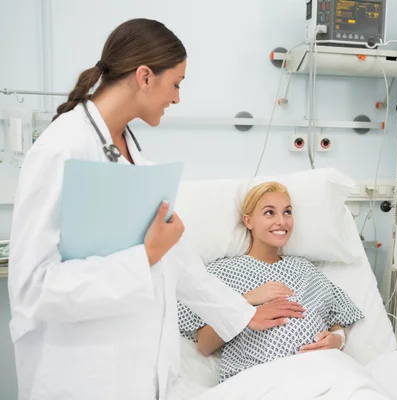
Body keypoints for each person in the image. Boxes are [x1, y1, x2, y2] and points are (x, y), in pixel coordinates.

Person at [7, 18, 304, 400]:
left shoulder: (132, 154)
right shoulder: (61, 148)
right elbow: (33, 289)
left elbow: (175, 261)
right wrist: (144, 255)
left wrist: (242, 315)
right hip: (81, 375)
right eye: (176, 83)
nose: (177, 98)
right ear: (145, 76)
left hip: (140, 373)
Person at [177, 181, 365, 382]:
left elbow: (336, 317)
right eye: (269, 213)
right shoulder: (222, 272)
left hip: (321, 372)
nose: (282, 221)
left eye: (287, 212)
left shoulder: (306, 268)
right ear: (248, 222)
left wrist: (338, 339)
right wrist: (246, 303)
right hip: (259, 380)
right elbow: (204, 345)